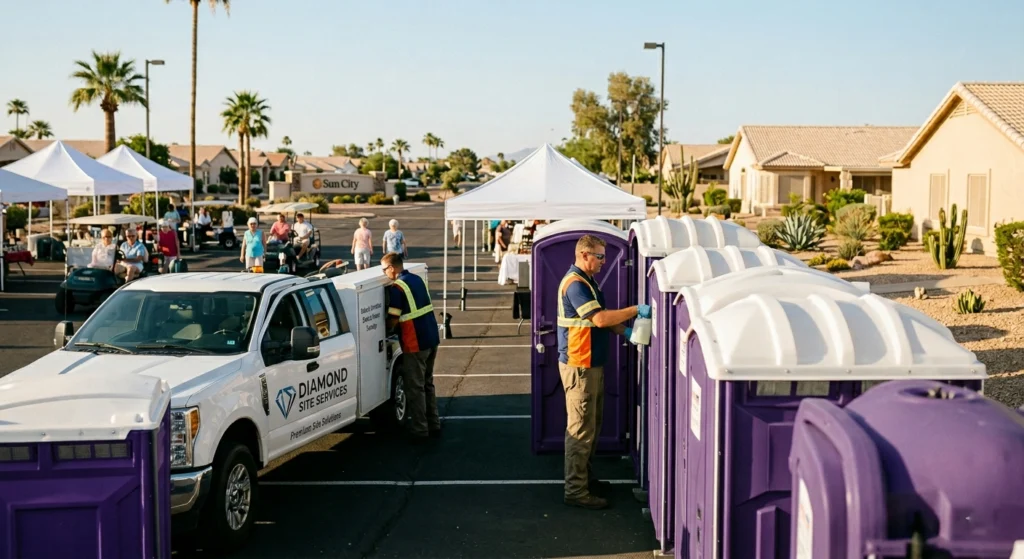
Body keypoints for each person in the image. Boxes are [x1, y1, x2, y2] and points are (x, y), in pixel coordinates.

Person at [556, 234, 651, 510]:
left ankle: (584, 480)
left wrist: (626, 332)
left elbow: (602, 317)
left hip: (589, 365)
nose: (603, 262)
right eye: (599, 256)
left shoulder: (587, 282)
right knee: (581, 431)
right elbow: (599, 319)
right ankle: (575, 490)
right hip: (580, 366)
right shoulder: (576, 285)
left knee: (591, 427)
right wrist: (636, 311)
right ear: (584, 255)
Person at [382, 252, 440, 442]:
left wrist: (383, 329)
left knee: (414, 387)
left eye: (384, 269)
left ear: (392, 267)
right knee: (427, 383)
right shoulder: (415, 279)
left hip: (415, 342)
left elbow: (393, 318)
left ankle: (420, 430)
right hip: (431, 338)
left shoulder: (397, 288)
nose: (385, 273)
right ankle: (434, 423)